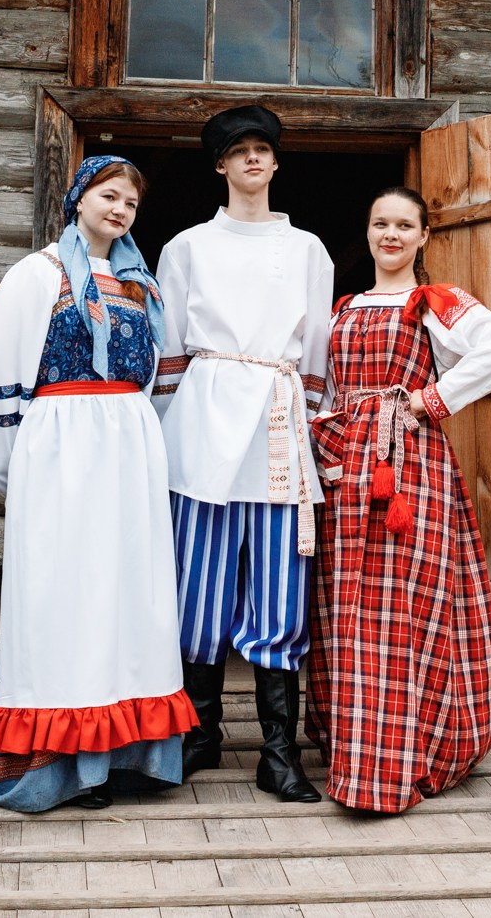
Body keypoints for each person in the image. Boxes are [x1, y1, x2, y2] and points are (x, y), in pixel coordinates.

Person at [0, 155, 196, 812]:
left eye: (131, 200)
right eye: (108, 193)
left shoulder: (140, 284)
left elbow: (155, 376)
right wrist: (17, 464)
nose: (120, 208)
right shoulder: (37, 274)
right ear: (78, 198)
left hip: (126, 443)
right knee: (64, 598)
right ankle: (61, 763)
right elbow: (2, 361)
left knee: (128, 593)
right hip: (61, 444)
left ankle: (123, 757)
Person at [308, 183, 491, 813]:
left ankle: (408, 753)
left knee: (408, 605)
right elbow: (325, 390)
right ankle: (356, 751)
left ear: (424, 236)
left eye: (405, 225)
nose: (391, 235)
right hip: (349, 471)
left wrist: (429, 402)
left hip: (411, 468)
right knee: (347, 607)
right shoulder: (342, 309)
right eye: (381, 224)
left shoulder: (436, 301)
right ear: (369, 232)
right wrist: (325, 439)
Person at [151, 104, 333, 804]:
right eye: (240, 150)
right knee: (197, 588)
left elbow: (315, 348)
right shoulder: (188, 246)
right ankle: (200, 732)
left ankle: (278, 752)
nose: (253, 159)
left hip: (280, 424)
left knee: (281, 592)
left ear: (276, 163)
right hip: (204, 418)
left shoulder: (309, 248)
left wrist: (316, 430)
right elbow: (169, 347)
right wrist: (168, 437)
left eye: (263, 149)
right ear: (221, 165)